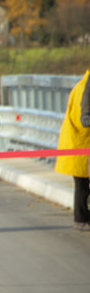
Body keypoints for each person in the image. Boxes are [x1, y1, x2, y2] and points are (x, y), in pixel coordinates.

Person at [54, 70, 90, 231]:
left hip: (76, 143)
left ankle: (81, 218)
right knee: (82, 186)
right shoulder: (84, 90)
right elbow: (83, 120)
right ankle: (81, 219)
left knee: (81, 185)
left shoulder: (80, 86)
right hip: (81, 144)